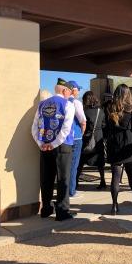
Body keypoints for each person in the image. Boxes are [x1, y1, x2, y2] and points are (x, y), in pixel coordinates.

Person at [32, 78, 76, 221]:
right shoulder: (68, 105)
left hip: (44, 145)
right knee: (63, 178)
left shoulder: (41, 105)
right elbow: (66, 128)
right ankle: (62, 211)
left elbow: (34, 128)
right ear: (64, 90)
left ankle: (46, 208)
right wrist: (55, 143)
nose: (70, 94)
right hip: (62, 146)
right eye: (69, 91)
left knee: (46, 178)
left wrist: (41, 143)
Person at [105, 84, 132, 215]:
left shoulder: (109, 107)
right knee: (130, 172)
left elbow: (106, 127)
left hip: (114, 143)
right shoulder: (131, 109)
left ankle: (114, 205)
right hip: (127, 143)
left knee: (115, 176)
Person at [78, 91, 106, 189]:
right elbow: (104, 125)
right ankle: (103, 181)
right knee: (100, 162)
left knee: (80, 161)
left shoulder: (84, 112)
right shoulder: (101, 111)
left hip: (87, 139)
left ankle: (76, 182)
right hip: (98, 139)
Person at [68, 80, 86, 198]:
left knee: (65, 164)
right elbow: (82, 121)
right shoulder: (76, 103)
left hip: (64, 138)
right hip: (76, 137)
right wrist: (82, 132)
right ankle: (71, 190)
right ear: (73, 90)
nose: (79, 91)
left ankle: (64, 189)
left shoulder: (63, 101)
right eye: (78, 89)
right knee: (74, 164)